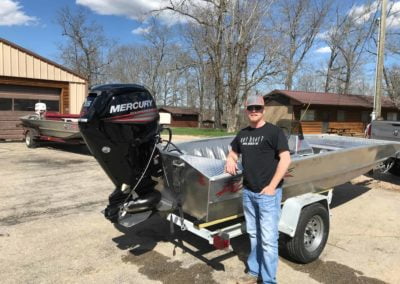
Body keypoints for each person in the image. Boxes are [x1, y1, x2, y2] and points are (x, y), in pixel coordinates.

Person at [225, 96, 291, 284]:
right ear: (246, 110)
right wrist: (230, 158)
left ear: (263, 110)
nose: (254, 111)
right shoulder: (243, 134)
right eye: (250, 108)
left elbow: (285, 159)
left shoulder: (274, 132)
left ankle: (269, 280)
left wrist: (271, 187)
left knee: (269, 241)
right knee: (254, 234)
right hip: (248, 192)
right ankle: (255, 270)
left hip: (268, 195)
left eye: (257, 108)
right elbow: (233, 151)